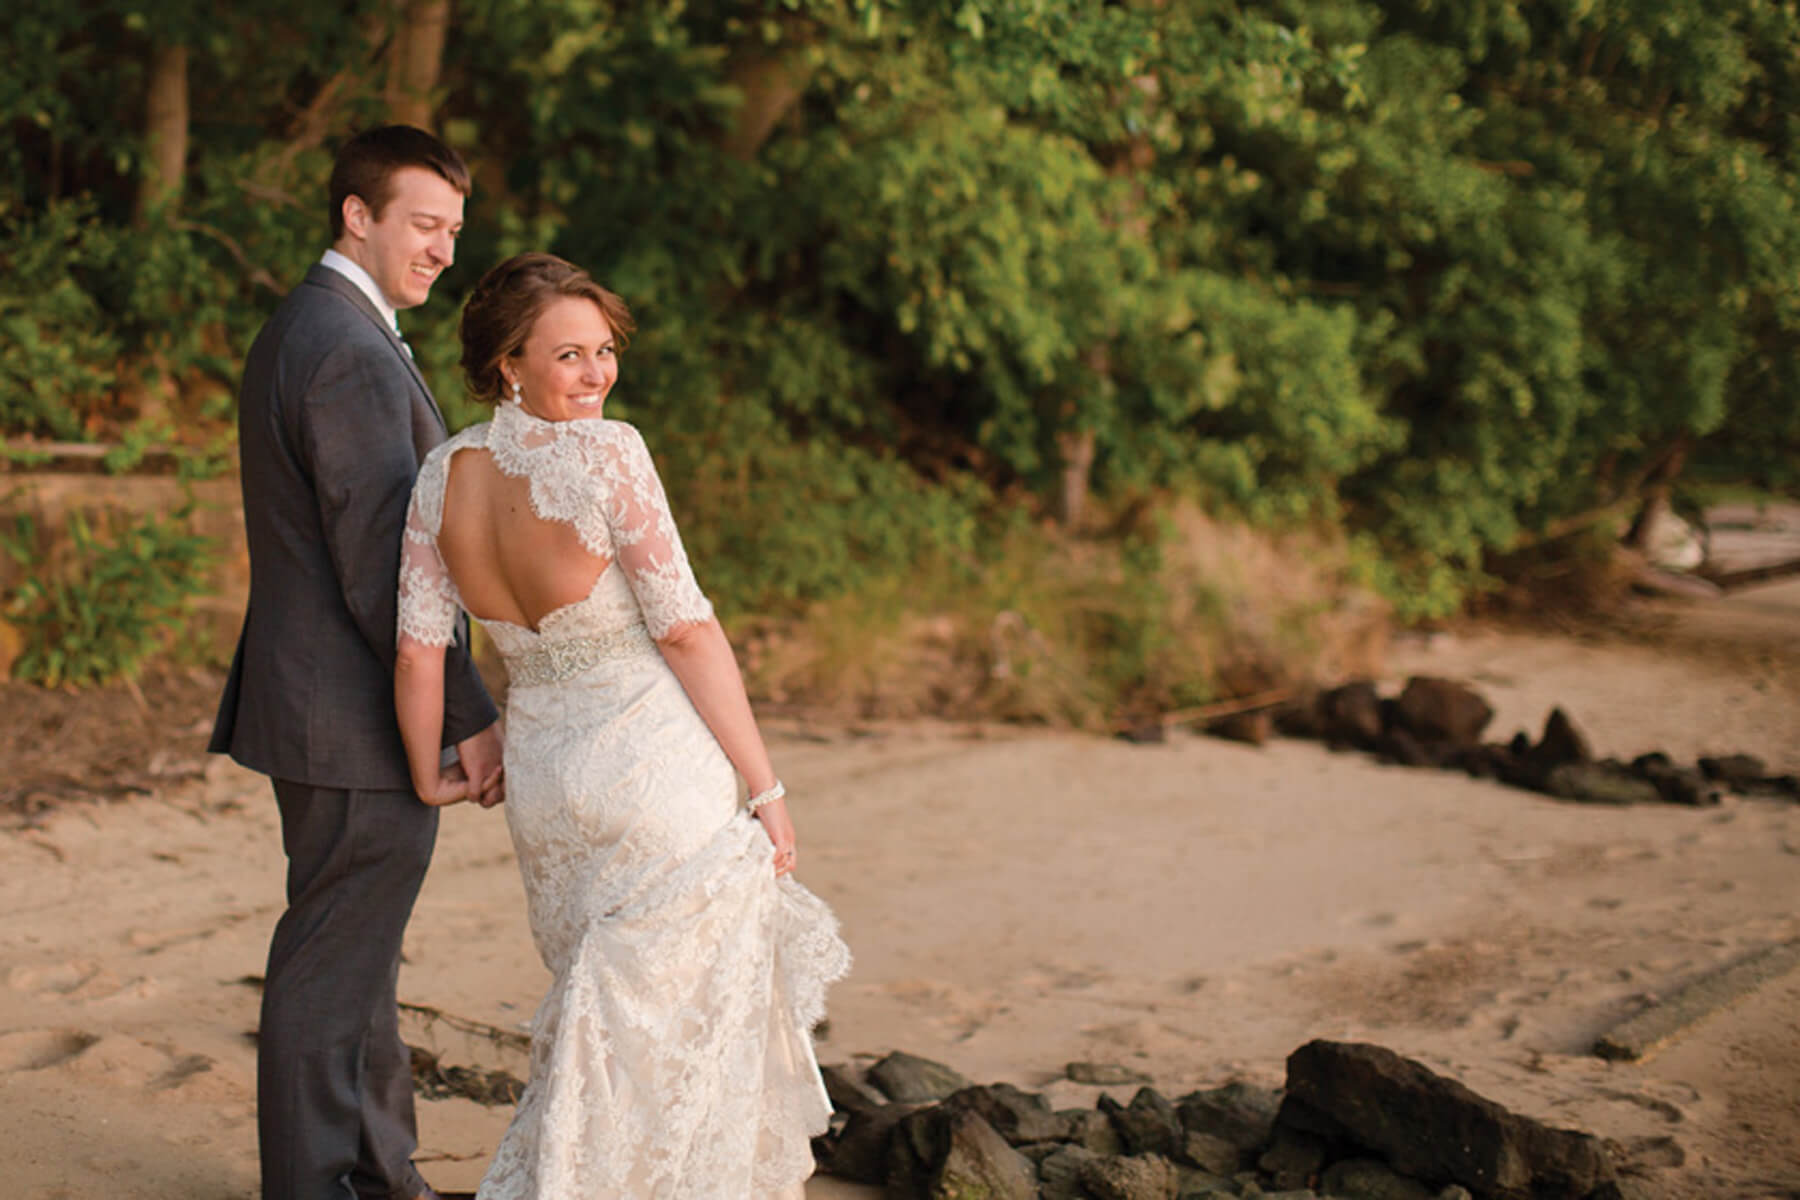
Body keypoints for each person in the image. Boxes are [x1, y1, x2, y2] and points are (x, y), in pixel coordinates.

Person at [393, 252, 849, 1199]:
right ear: (509, 363)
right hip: (650, 775)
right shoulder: (610, 453)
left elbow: (418, 650)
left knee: (606, 1028)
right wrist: (765, 788)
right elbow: (684, 627)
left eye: (605, 351)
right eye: (569, 355)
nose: (597, 374)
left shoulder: (441, 476)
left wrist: (427, 771)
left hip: (550, 790)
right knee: (672, 1042)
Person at [209, 125, 504, 1200]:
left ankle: (385, 1179)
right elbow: (389, 562)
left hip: (328, 705)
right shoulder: (340, 344)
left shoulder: (324, 326)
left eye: (454, 231)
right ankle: (317, 1185)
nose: (442, 252)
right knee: (332, 964)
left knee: (358, 956)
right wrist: (465, 710)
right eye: (425, 225)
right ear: (357, 214)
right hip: (354, 712)